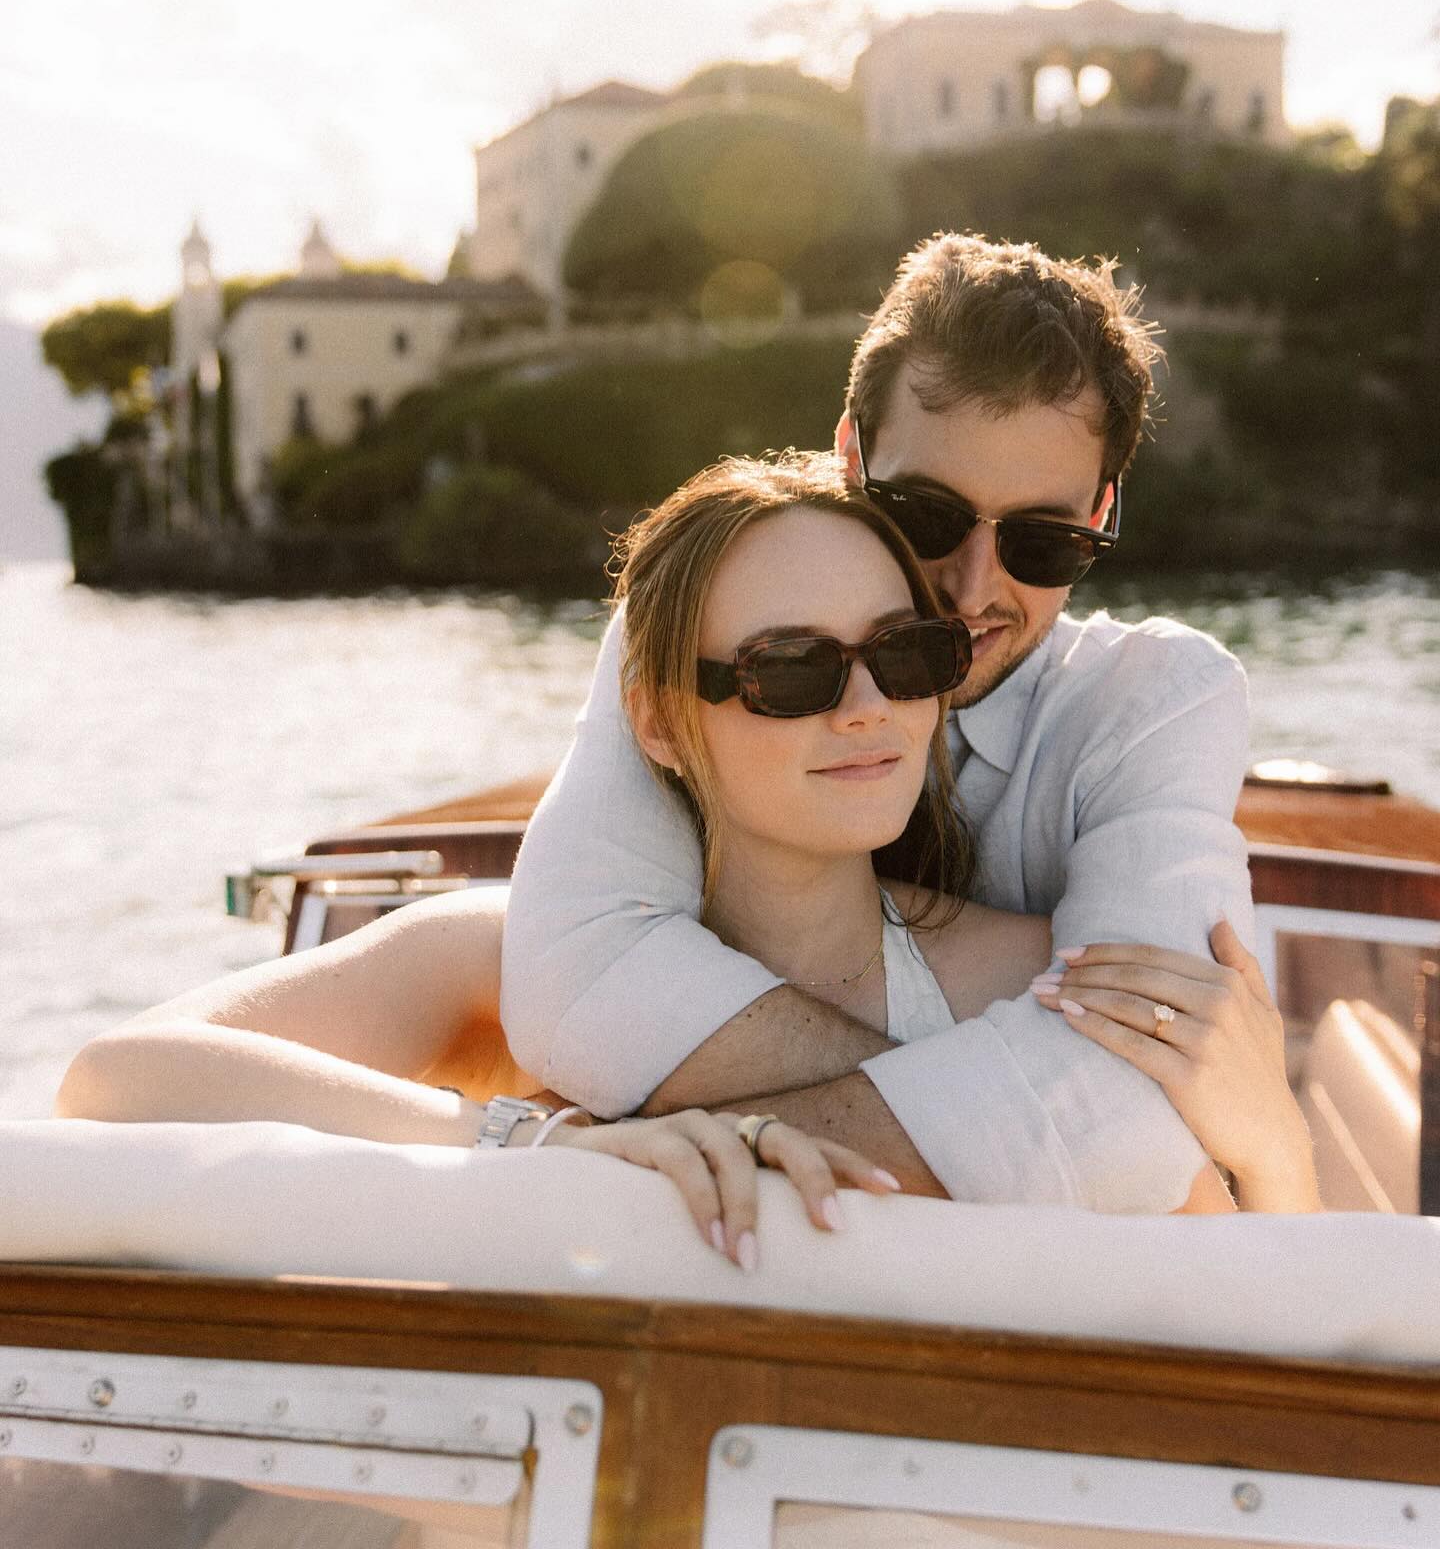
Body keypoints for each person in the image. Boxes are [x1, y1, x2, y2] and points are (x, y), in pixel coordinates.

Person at [59, 450, 1317, 1255]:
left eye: (906, 652)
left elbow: (1222, 1290)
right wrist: (543, 1152)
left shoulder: (1044, 988)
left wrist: (1273, 1149)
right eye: (791, 669)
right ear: (656, 718)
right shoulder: (497, 963)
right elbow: (117, 1084)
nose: (866, 705)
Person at [500, 233, 1276, 1212]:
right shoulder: (709, 623)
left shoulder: (1160, 701)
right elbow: (578, 980)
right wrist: (995, 1107)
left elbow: (1134, 1096)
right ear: (848, 457)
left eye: (1043, 540)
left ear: (1104, 513)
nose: (972, 587)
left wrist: (675, 1151)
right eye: (928, 514)